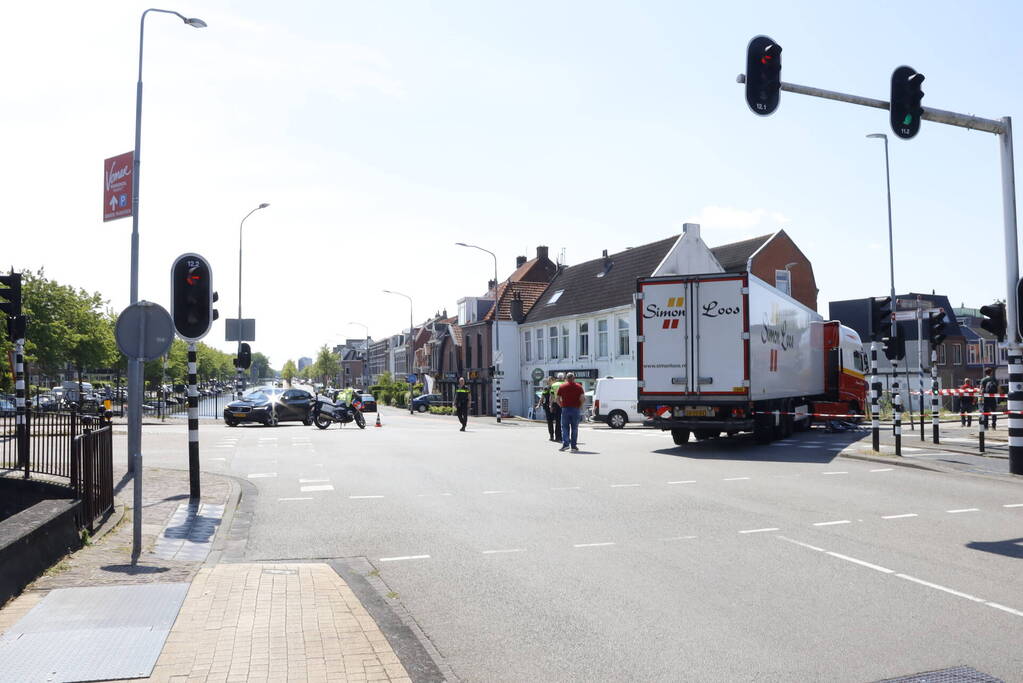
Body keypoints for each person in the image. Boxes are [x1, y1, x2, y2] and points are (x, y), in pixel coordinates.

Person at [556, 372, 585, 452]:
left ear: (566, 378)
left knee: (564, 427)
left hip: (565, 409)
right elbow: (583, 398)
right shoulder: (579, 387)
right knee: (574, 428)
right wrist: (580, 406)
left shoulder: (562, 386)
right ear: (574, 378)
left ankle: (566, 444)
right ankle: (573, 446)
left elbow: (557, 398)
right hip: (575, 409)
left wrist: (561, 405)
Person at [549, 372, 565, 442]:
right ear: (563, 377)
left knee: (558, 421)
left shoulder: (554, 385)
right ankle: (565, 436)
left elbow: (552, 396)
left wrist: (551, 405)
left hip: (556, 404)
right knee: (565, 421)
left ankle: (557, 437)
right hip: (565, 404)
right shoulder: (565, 384)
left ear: (558, 378)